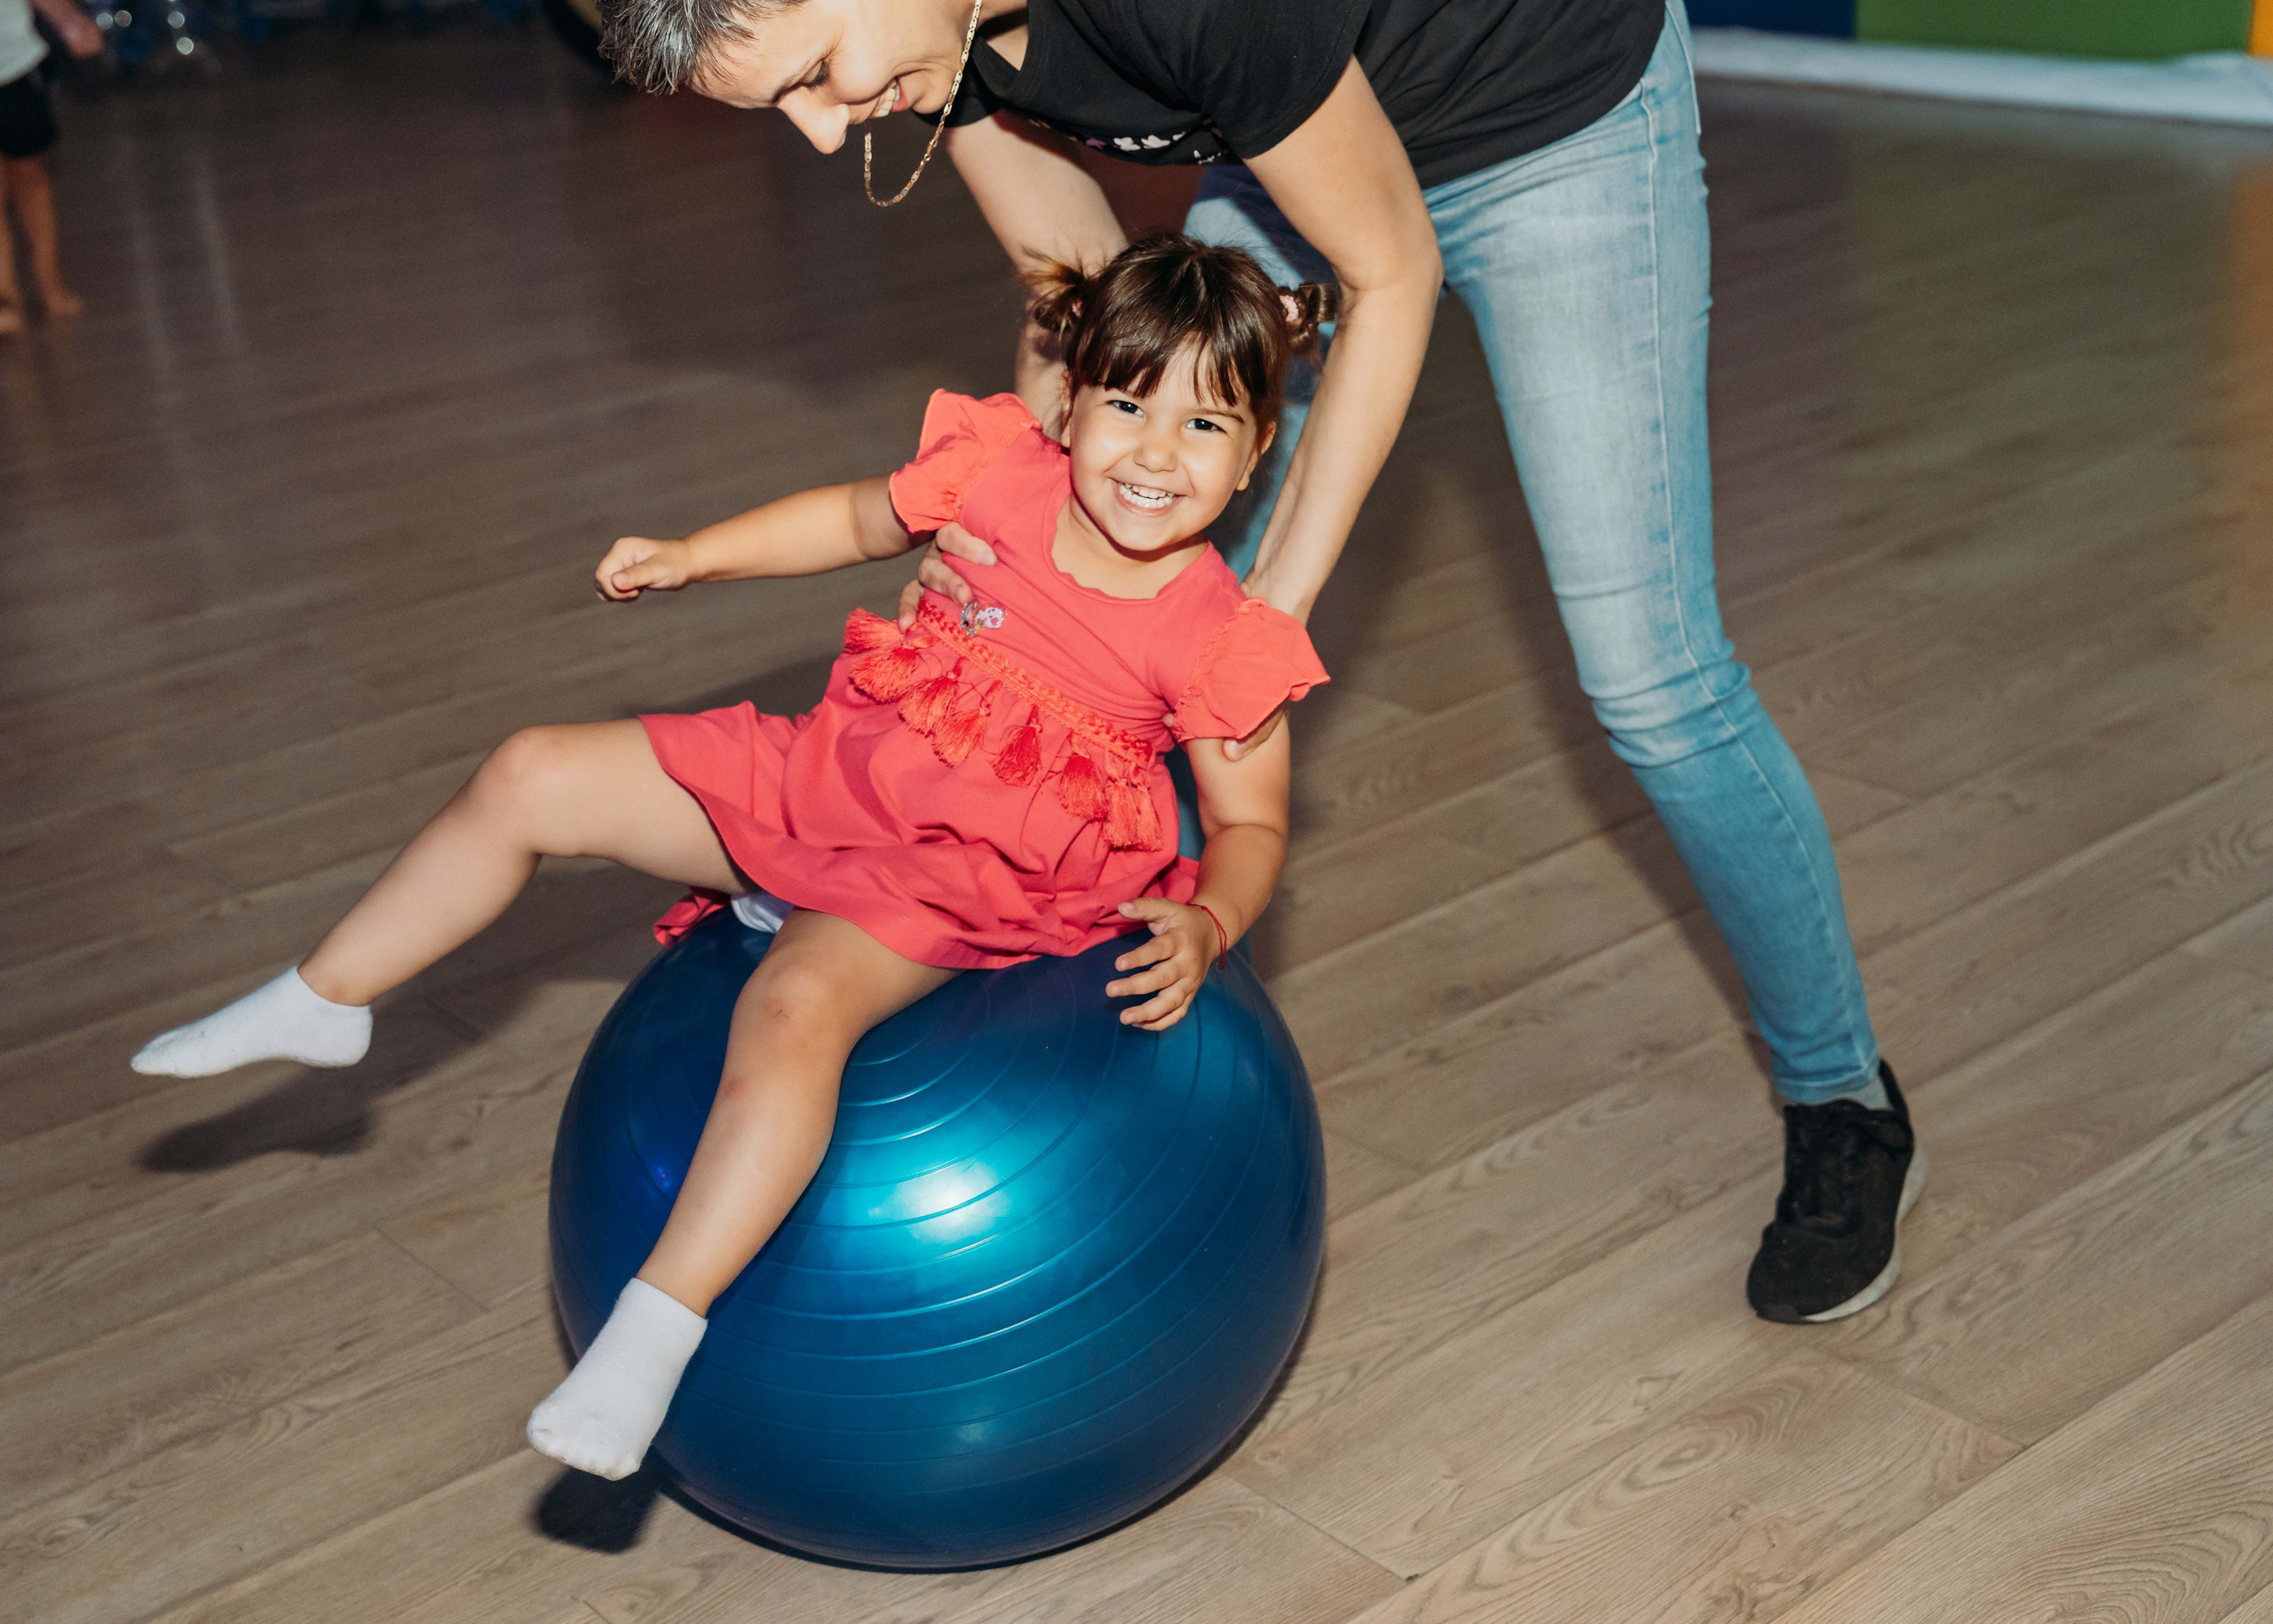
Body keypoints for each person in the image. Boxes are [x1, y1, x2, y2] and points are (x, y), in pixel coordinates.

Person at [598, 0, 1925, 1325]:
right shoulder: (927, 38)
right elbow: (1077, 298)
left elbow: (1390, 266)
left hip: (1548, 122)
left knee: (1655, 682)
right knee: (1119, 578)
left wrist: (1252, 628)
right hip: (1301, 136)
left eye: (818, 78)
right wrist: (1012, 542)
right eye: (789, 106)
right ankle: (1003, 922)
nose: (828, 131)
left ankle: (1842, 1096)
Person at [131, 234, 1332, 1480]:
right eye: (1129, 405)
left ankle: (654, 1329)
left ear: (1253, 457)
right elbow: (855, 517)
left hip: (963, 867)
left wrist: (1216, 919)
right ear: (1071, 401)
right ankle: (325, 998)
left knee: (794, 1003)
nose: (1153, 454)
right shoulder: (999, 476)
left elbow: (1251, 824)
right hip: (836, 768)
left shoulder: (1219, 640)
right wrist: (697, 553)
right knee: (531, 770)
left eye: (1204, 427)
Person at [0, 0, 99, 334]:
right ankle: (6, 299)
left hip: (16, 64)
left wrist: (68, 19)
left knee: (30, 178)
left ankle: (50, 284)